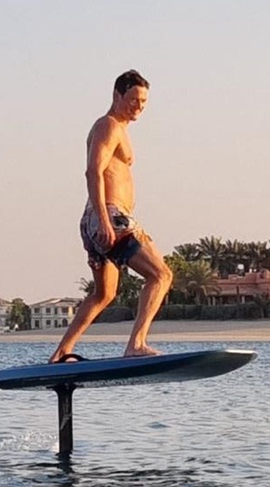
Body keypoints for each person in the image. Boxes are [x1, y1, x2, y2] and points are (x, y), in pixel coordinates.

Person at [49, 70, 173, 363]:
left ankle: (60, 354)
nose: (138, 107)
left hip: (98, 218)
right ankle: (136, 344)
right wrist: (105, 219)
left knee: (104, 294)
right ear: (117, 95)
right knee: (161, 275)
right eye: (133, 99)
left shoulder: (118, 129)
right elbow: (93, 170)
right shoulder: (109, 126)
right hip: (109, 215)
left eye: (143, 102)